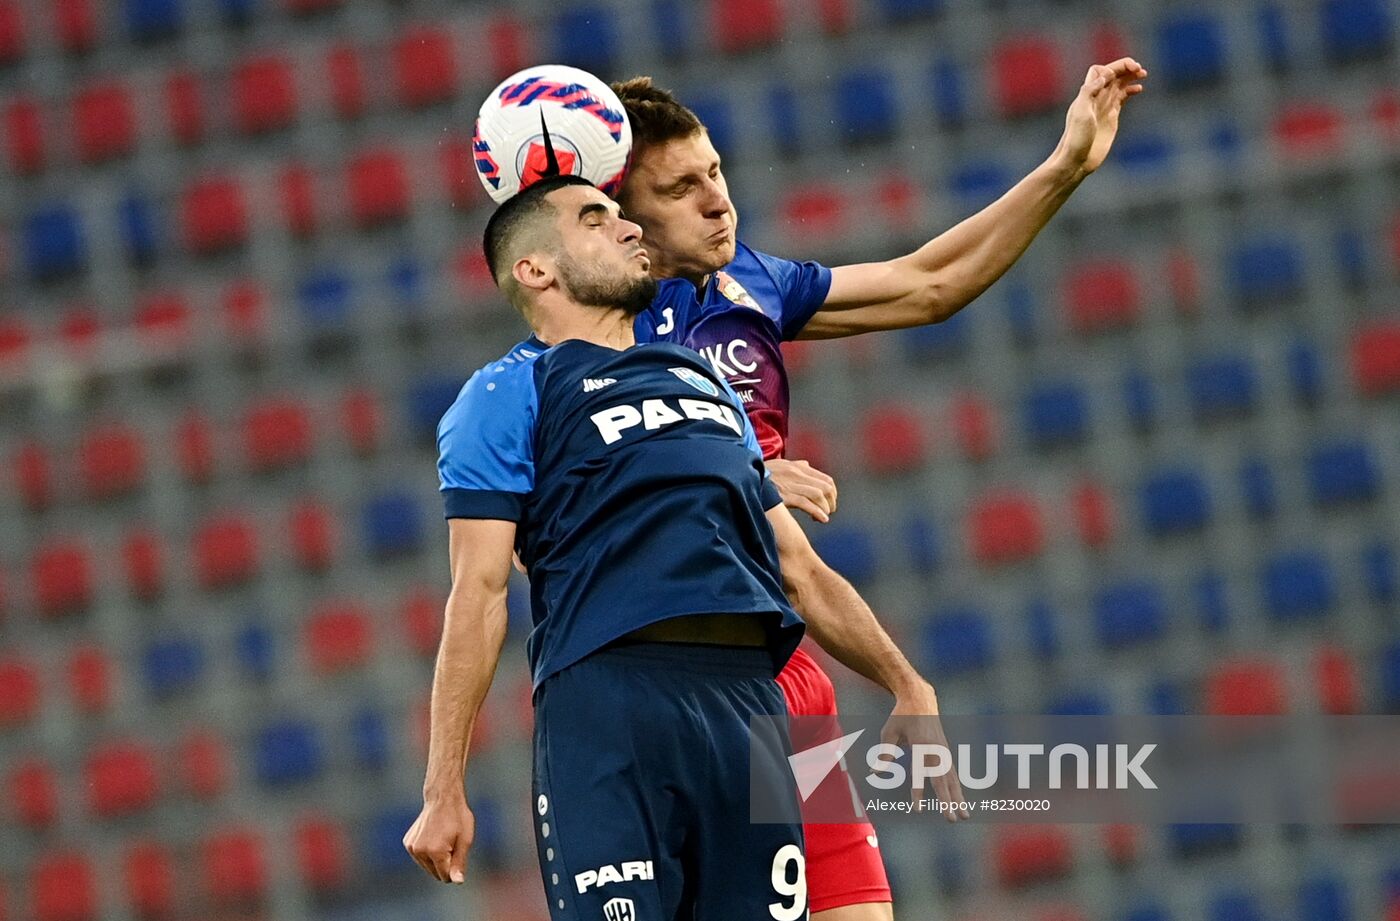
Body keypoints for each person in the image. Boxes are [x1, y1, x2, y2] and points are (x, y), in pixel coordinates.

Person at [611, 57, 1147, 920]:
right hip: (683, 693)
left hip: (790, 675)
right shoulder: (604, 347)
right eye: (679, 188)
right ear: (623, 219)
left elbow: (928, 282)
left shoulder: (750, 282)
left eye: (715, 172)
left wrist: (1063, 169)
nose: (717, 199)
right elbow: (565, 525)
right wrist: (728, 475)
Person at [402, 174, 958, 920]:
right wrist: (443, 789)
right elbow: (478, 592)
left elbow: (798, 566)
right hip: (610, 707)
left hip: (747, 708)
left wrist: (906, 682)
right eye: (597, 220)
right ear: (537, 269)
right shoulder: (506, 394)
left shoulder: (704, 382)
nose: (631, 229)